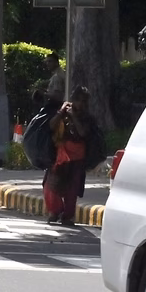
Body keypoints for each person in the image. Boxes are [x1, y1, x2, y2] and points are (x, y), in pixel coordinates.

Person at [45, 86, 97, 226]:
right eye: (79, 101)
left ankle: (68, 216)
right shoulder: (64, 112)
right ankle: (54, 211)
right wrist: (61, 112)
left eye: (84, 101)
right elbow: (51, 126)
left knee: (71, 189)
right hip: (61, 155)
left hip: (77, 158)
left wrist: (74, 117)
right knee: (51, 185)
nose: (81, 104)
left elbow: (83, 133)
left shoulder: (87, 118)